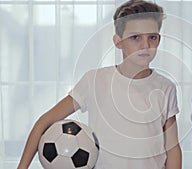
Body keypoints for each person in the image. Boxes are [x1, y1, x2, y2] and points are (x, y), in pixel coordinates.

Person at [17, 0, 182, 168]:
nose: (145, 45)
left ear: (159, 40)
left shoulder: (165, 87)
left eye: (152, 37)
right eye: (135, 37)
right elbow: (44, 122)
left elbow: (173, 147)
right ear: (118, 41)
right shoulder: (95, 81)